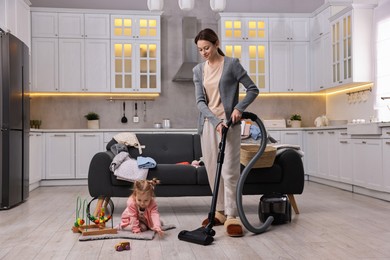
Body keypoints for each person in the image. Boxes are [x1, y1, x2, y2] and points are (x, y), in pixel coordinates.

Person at [193, 28, 259, 237]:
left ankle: (232, 215)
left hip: (230, 124)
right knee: (213, 170)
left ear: (216, 43)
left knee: (229, 171)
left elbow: (252, 89)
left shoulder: (232, 64)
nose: (203, 52)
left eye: (207, 48)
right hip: (209, 125)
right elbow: (200, 102)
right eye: (200, 49)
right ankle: (219, 211)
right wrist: (214, 121)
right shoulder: (198, 70)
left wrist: (239, 109)